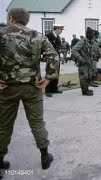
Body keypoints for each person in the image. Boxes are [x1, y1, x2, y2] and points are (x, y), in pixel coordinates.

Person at [0, 8, 58, 171]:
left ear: (11, 18)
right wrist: (48, 78)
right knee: (37, 123)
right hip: (32, 87)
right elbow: (53, 56)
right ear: (25, 20)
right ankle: (45, 157)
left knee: (3, 125)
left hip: (6, 87)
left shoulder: (1, 33)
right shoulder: (37, 36)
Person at [72, 27, 100, 96]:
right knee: (84, 76)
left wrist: (93, 56)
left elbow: (90, 51)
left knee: (88, 76)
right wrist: (80, 59)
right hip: (83, 62)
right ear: (88, 34)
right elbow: (74, 50)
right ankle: (84, 91)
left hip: (89, 61)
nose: (94, 35)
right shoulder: (82, 41)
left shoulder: (91, 41)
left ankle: (86, 89)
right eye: (92, 34)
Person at [45, 23, 64, 97]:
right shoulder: (48, 36)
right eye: (60, 29)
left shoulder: (58, 37)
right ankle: (48, 90)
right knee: (50, 73)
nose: (61, 31)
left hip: (57, 58)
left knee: (56, 73)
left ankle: (54, 89)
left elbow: (58, 47)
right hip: (50, 58)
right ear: (56, 28)